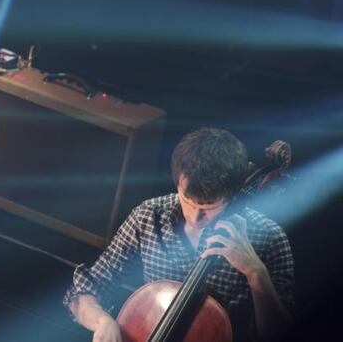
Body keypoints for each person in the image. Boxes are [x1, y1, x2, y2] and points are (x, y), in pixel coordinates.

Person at [65, 127, 294, 342]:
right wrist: (102, 321)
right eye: (186, 200)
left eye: (208, 208)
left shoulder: (269, 239)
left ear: (231, 196)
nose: (194, 217)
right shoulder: (148, 216)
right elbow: (85, 291)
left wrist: (256, 273)